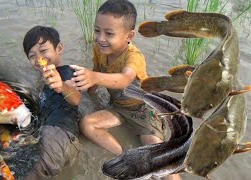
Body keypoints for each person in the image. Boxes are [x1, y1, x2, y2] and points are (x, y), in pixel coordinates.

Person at [70, 0, 180, 180]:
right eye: (97, 30)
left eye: (109, 33)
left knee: (157, 154)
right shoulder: (100, 49)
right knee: (86, 124)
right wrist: (87, 90)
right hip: (119, 107)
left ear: (129, 36)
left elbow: (125, 79)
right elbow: (96, 73)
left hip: (143, 110)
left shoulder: (134, 57)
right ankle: (124, 157)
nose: (100, 38)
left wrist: (94, 76)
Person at [22, 26, 81, 180]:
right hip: (52, 140)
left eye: (43, 50)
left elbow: (75, 98)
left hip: (59, 135)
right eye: (32, 55)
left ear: (59, 48)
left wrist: (61, 85)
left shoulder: (67, 72)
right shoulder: (43, 81)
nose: (38, 58)